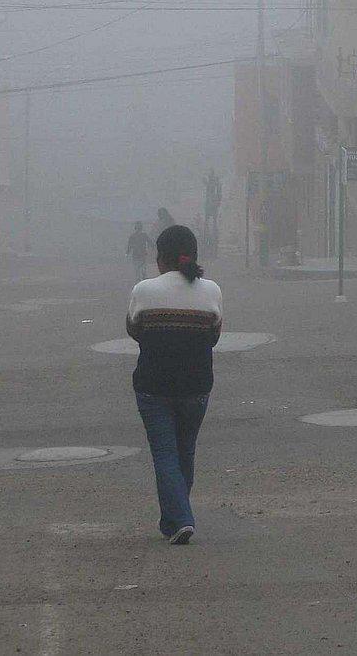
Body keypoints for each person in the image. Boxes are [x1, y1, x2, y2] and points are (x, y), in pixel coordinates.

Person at [126, 224, 223, 544]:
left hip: (154, 388)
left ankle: (181, 517)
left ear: (159, 258)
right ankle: (173, 519)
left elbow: (134, 330)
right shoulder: (211, 291)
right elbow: (213, 337)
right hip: (196, 388)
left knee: (165, 453)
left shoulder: (143, 290)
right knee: (185, 451)